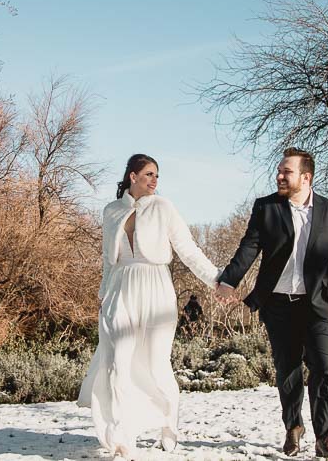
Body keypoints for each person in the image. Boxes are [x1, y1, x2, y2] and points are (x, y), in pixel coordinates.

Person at [78, 153, 220, 458]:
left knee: (157, 365)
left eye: (157, 175)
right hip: (120, 288)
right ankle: (121, 438)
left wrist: (217, 281)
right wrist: (103, 294)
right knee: (117, 363)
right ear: (133, 176)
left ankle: (168, 424)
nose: (155, 181)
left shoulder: (163, 207)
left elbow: (188, 249)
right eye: (149, 174)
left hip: (156, 288)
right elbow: (107, 258)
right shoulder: (112, 210)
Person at [215, 148, 328, 458]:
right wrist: (228, 280)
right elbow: (248, 247)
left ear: (306, 177)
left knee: (325, 368)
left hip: (317, 306)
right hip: (278, 305)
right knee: (287, 370)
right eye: (279, 171)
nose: (279, 176)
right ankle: (293, 427)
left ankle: (325, 436)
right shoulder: (267, 208)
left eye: (286, 172)